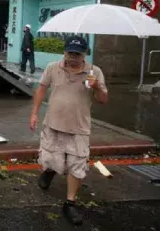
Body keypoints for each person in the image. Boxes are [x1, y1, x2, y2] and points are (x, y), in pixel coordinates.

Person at [29, 36, 108, 225]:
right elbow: (41, 90)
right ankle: (49, 171)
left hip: (79, 128)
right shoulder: (52, 68)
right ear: (64, 52)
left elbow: (104, 100)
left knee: (77, 165)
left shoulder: (94, 72)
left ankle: (69, 203)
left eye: (77, 54)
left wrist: (96, 86)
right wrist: (34, 114)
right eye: (70, 52)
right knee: (50, 158)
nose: (72, 57)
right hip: (53, 124)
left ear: (84, 55)